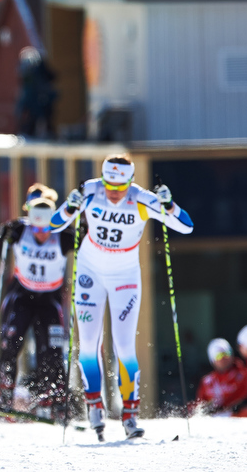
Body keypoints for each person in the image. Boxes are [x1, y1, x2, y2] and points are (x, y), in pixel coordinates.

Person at [50, 154, 193, 439]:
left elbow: (186, 226)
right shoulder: (90, 191)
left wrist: (169, 204)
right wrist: (70, 206)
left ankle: (129, 414)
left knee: (125, 346)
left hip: (125, 276)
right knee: (89, 343)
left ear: (130, 180)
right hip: (90, 271)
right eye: (109, 185)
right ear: (103, 180)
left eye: (121, 186)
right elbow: (54, 225)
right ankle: (94, 404)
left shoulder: (142, 199)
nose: (114, 193)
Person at [0, 184, 73, 418]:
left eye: (47, 226)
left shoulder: (63, 234)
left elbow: (89, 244)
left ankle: (52, 399)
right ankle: (3, 394)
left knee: (51, 350)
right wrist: (3, 238)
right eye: (36, 225)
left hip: (49, 299)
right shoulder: (20, 229)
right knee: (10, 343)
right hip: (21, 295)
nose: (41, 232)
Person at [194, 338, 247, 415]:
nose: (223, 358)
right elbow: (200, 406)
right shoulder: (207, 382)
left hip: (238, 419)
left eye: (226, 353)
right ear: (213, 360)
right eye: (219, 355)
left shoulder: (243, 374)